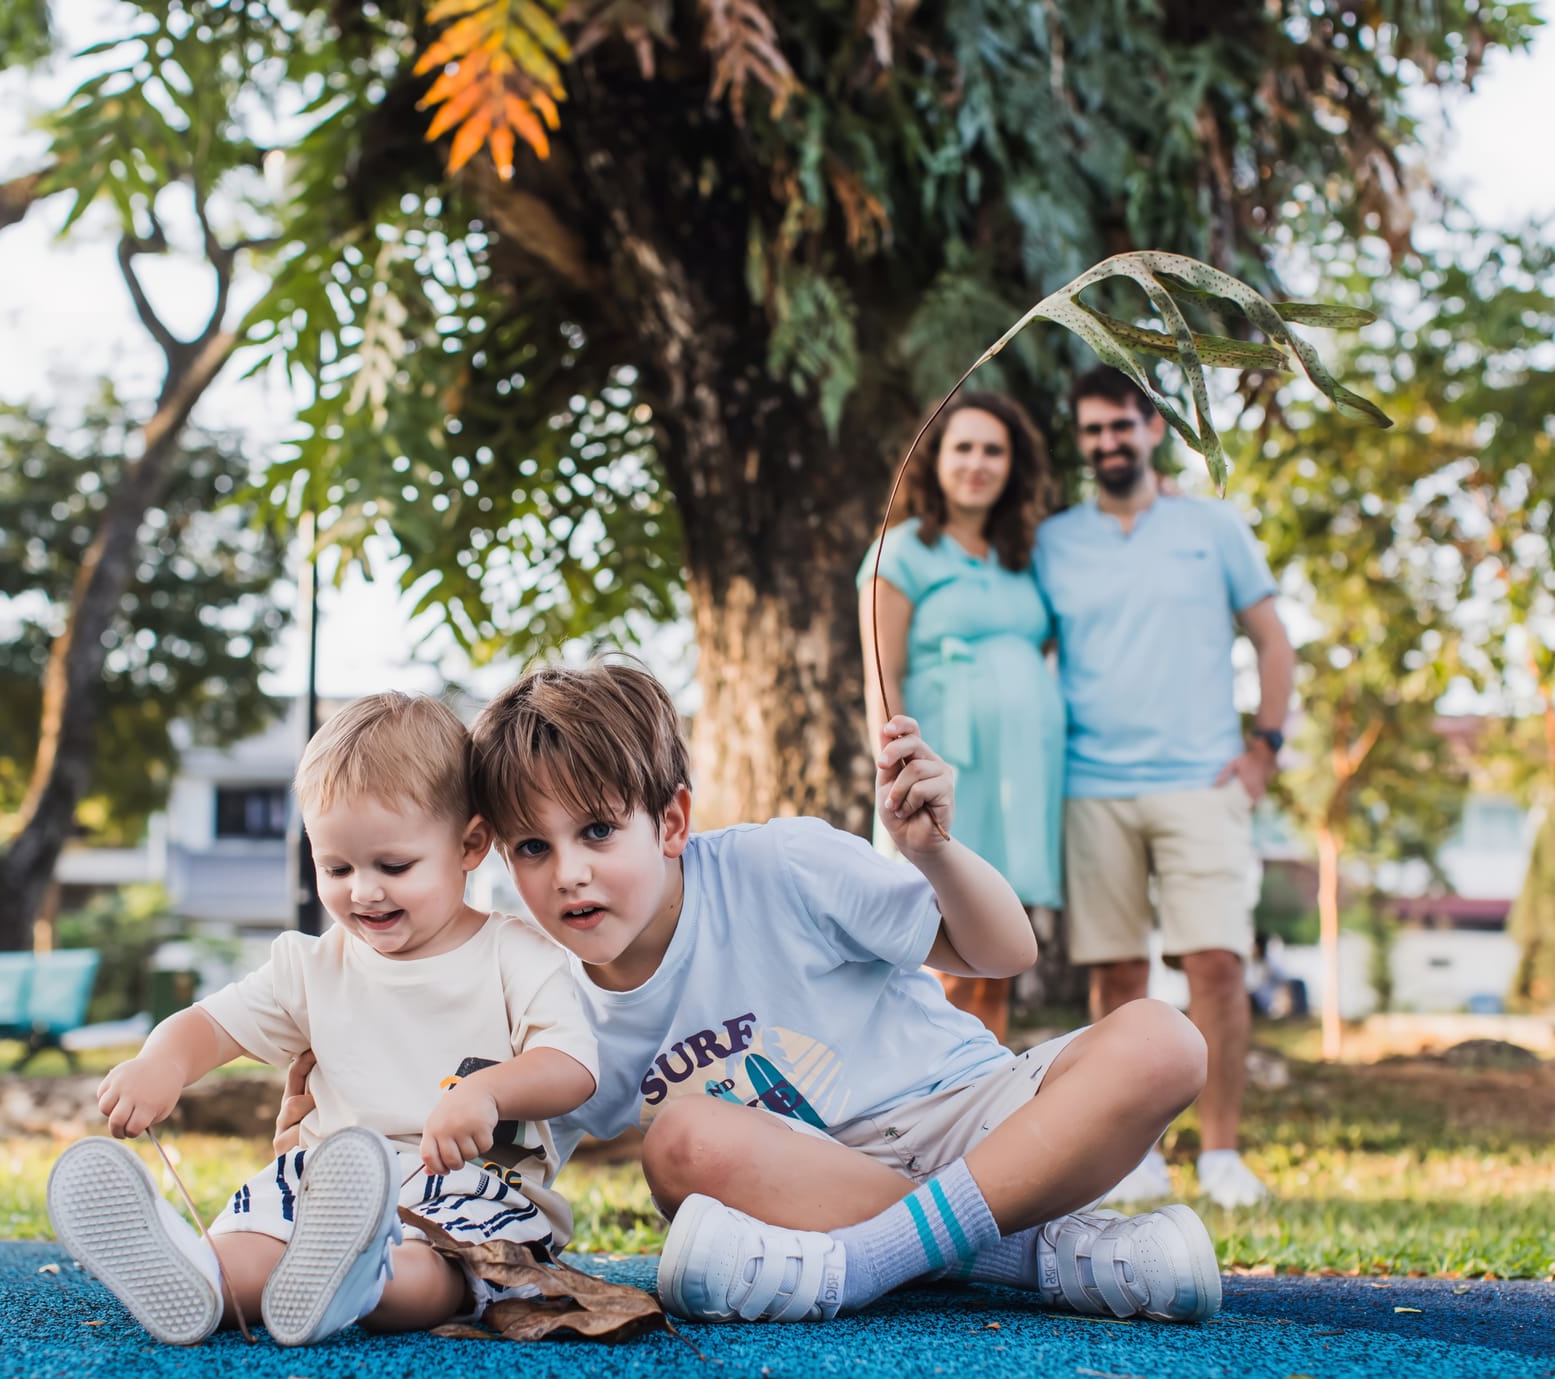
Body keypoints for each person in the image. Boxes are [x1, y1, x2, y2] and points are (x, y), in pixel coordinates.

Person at [455, 658, 1217, 1324]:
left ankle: (863, 1264)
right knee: (681, 1143)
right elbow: (493, 1177)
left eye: (597, 830)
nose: (569, 872)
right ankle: (1030, 1256)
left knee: (1165, 1042)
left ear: (672, 821)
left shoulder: (783, 864)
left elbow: (1005, 951)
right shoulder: (552, 1008)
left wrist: (933, 851)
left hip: (980, 1126)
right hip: (816, 1186)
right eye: (533, 846)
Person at [46, 692, 598, 1346]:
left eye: (394, 865)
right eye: (336, 867)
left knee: (439, 1272)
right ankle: (197, 1275)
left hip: (471, 1188)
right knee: (251, 1247)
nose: (363, 890)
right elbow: (211, 1024)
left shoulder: (516, 953)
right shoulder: (311, 966)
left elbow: (572, 1066)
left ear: (470, 844)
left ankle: (362, 1278)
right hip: (325, 1185)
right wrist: (161, 1063)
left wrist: (489, 1092)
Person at [1033, 365, 1295, 1211]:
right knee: (1116, 977)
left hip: (1201, 781)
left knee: (1217, 963)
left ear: (1152, 428)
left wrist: (1265, 749)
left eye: (1121, 425)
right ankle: (1132, 1158)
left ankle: (1221, 1153)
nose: (1108, 442)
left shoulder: (1212, 525)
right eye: (1093, 430)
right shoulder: (1054, 542)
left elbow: (1273, 638)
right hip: (1092, 787)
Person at [857, 391, 1065, 1041]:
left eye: (993, 450)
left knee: (997, 949)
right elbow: (882, 676)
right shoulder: (901, 552)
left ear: (1013, 465)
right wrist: (898, 773)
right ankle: (937, 1084)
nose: (978, 463)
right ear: (935, 459)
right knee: (943, 947)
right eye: (964, 447)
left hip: (1019, 782)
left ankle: (988, 1085)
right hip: (947, 772)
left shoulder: (1023, 558)